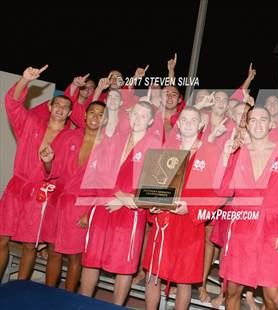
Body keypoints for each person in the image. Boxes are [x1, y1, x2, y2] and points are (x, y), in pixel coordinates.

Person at [215, 106, 278, 310]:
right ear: (246, 124)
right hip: (241, 230)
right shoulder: (237, 152)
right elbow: (222, 191)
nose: (258, 124)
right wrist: (225, 157)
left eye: (263, 120)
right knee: (232, 291)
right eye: (253, 120)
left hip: (271, 230)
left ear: (271, 124)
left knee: (274, 298)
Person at [79, 101, 160, 305]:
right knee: (91, 259)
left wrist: (125, 200)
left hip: (131, 213)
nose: (137, 119)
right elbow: (98, 173)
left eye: (143, 116)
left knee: (125, 263)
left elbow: (155, 185)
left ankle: (117, 307)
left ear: (150, 121)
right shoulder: (113, 139)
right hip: (104, 204)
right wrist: (119, 195)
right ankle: (82, 303)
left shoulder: (156, 146)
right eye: (135, 114)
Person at [143, 107, 224, 310]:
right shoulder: (166, 151)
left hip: (189, 224)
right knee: (153, 274)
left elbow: (219, 193)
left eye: (193, 120)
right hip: (164, 221)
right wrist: (152, 203)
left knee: (184, 279)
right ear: (178, 124)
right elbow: (154, 186)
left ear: (201, 125)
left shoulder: (211, 153)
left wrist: (192, 208)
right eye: (184, 119)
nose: (188, 123)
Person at [0, 65, 73, 281]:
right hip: (16, 188)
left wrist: (49, 164)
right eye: (57, 104)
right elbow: (12, 104)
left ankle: (21, 290)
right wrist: (24, 80)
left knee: (29, 245)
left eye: (65, 107)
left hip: (41, 195)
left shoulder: (70, 138)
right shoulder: (31, 122)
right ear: (49, 106)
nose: (60, 109)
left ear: (69, 113)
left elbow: (62, 172)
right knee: (2, 238)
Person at [39, 101, 107, 292]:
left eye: (101, 114)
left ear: (106, 119)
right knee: (53, 251)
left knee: (75, 256)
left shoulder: (108, 146)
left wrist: (90, 211)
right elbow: (53, 171)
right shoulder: (67, 136)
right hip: (58, 201)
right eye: (92, 112)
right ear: (84, 116)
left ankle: (69, 299)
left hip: (83, 205)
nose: (95, 116)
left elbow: (104, 184)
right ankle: (48, 295)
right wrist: (47, 162)